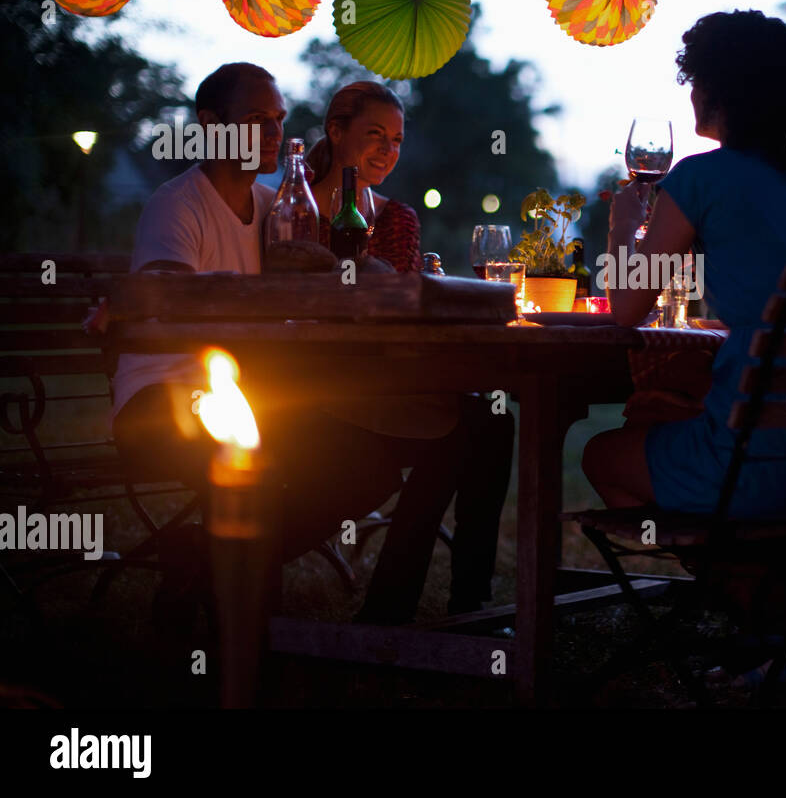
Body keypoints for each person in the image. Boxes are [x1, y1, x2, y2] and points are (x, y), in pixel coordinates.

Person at [111, 63, 511, 629]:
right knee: (373, 455)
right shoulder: (180, 203)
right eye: (256, 120)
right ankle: (222, 577)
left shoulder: (273, 206)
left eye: (277, 119)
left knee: (375, 467)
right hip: (170, 397)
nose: (274, 132)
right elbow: (166, 291)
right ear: (208, 125)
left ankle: (202, 558)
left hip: (250, 392)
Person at [582, 11, 786, 518]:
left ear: (726, 93)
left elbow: (628, 308)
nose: (692, 95)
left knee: (601, 454)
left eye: (698, 82)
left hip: (755, 462)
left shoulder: (700, 178)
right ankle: (764, 583)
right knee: (658, 419)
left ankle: (740, 583)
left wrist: (623, 226)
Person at [305, 81, 421, 272]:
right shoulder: (297, 213)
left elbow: (408, 298)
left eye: (396, 140)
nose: (388, 149)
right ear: (335, 132)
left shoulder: (398, 221)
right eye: (375, 133)